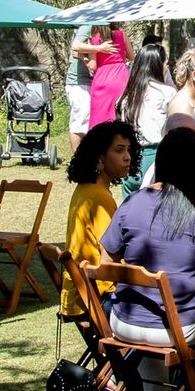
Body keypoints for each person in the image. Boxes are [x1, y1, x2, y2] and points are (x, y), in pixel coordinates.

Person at [101, 126, 195, 391]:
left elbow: (104, 263)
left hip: (124, 321)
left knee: (155, 334)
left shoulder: (132, 202)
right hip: (176, 326)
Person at [62, 119, 135, 318]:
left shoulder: (86, 188)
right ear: (100, 156)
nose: (127, 157)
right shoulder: (98, 197)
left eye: (129, 150)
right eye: (119, 150)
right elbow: (111, 252)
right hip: (96, 296)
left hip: (81, 292)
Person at [117, 37, 172, 198]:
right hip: (157, 156)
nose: (166, 67)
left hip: (130, 157)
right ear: (158, 65)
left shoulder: (126, 96)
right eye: (165, 63)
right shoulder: (166, 93)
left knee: (129, 206)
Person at [79, 25, 131, 130]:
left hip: (103, 78)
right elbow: (131, 56)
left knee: (101, 116)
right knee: (121, 112)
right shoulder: (122, 35)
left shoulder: (94, 39)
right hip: (121, 77)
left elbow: (92, 66)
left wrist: (83, 57)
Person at [65, 28, 95, 153]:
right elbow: (76, 48)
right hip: (79, 83)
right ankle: (77, 160)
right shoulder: (88, 26)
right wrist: (100, 48)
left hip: (88, 82)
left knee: (86, 123)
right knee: (79, 124)